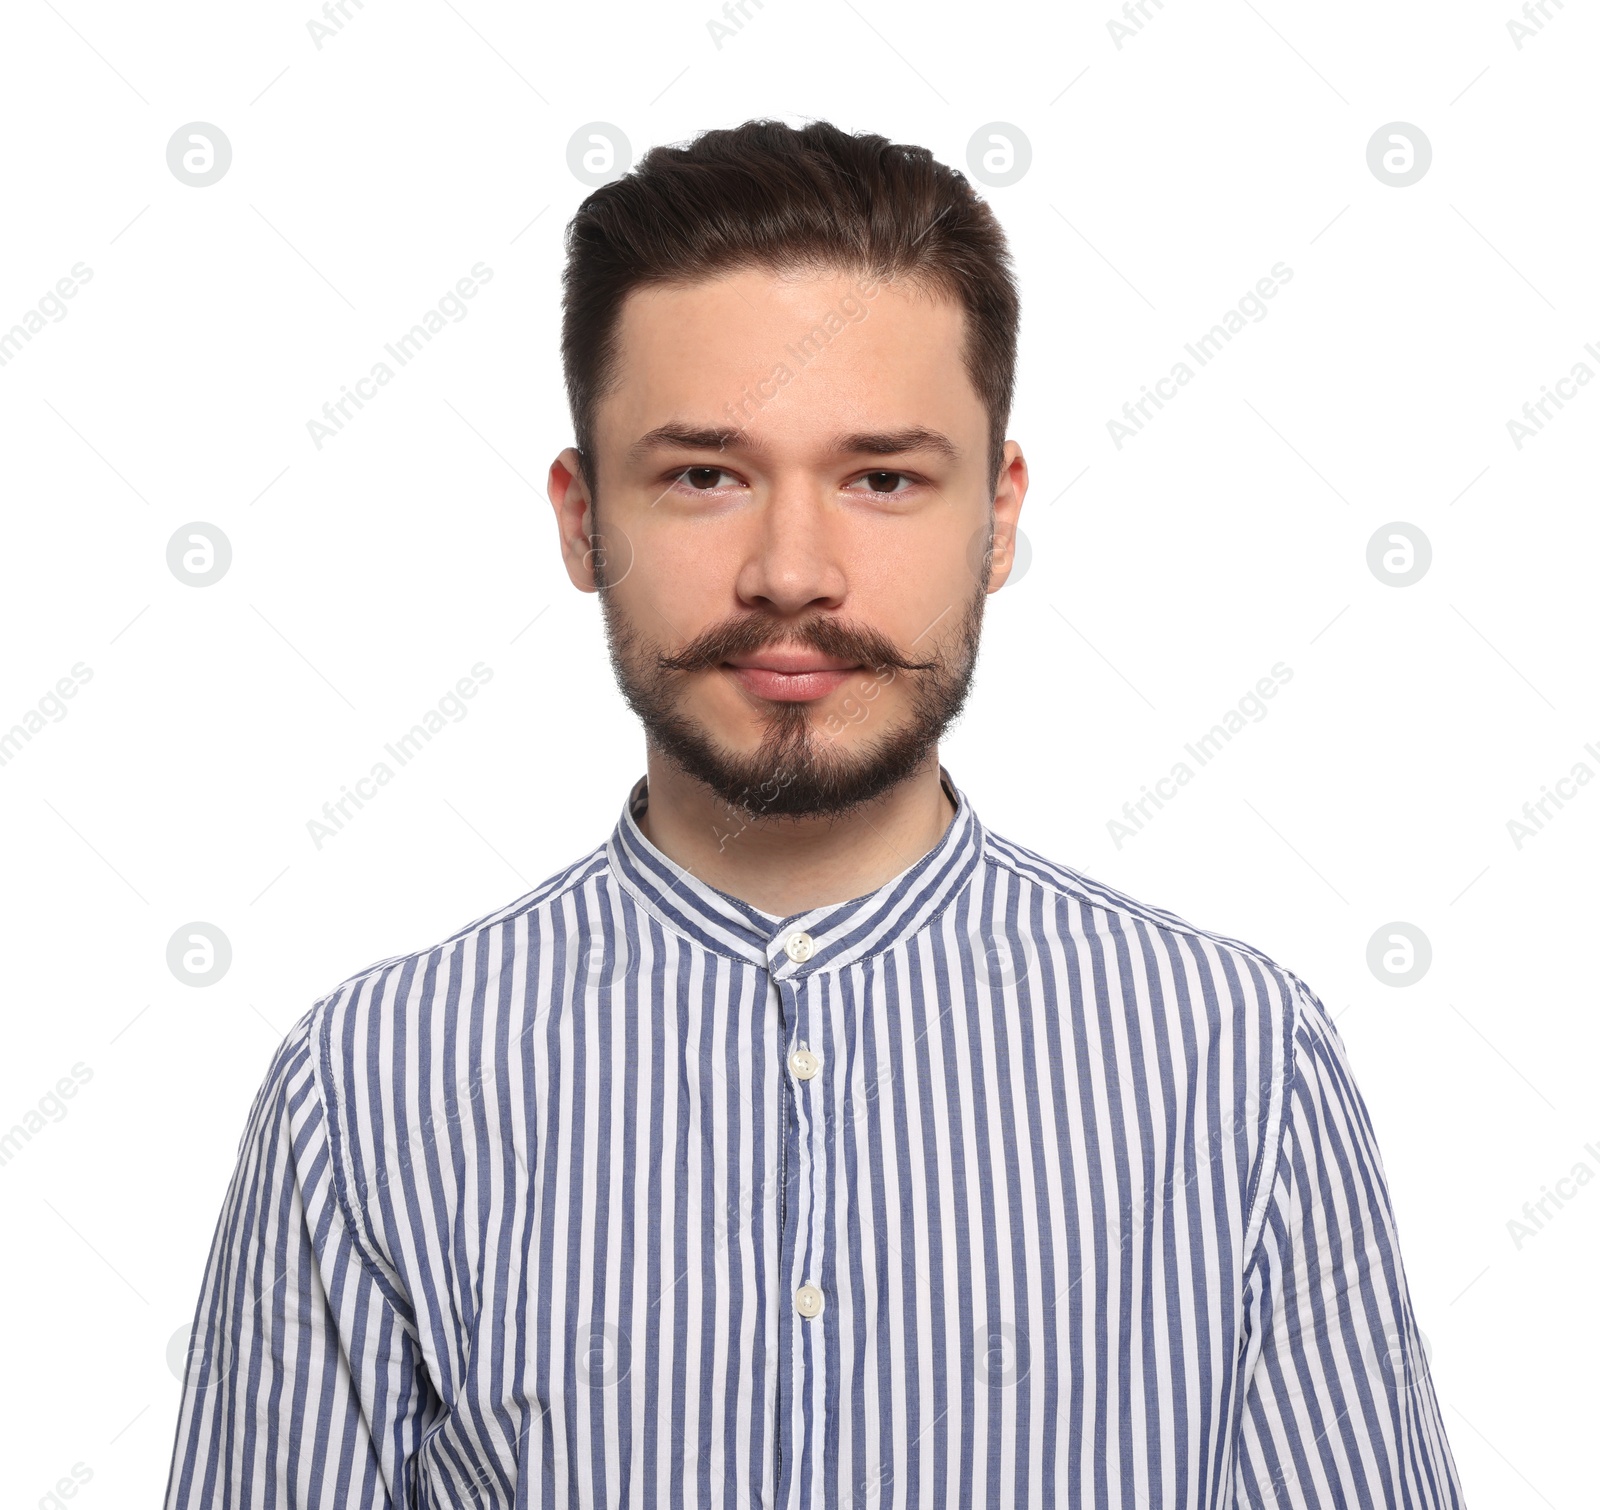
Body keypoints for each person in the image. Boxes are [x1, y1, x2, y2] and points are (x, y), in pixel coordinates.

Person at [165, 119, 1464, 1508]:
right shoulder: (369, 1091)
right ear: (582, 519)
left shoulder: (1239, 1069)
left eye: (884, 477)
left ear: (1000, 514)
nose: (793, 572)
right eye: (706, 476)